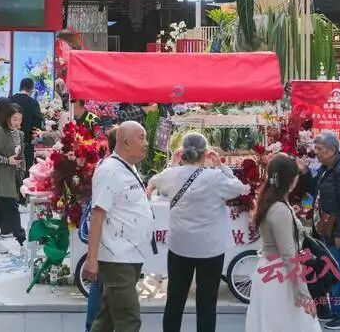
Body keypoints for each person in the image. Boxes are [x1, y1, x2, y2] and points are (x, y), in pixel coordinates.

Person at [148, 133, 247, 332]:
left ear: (182, 152)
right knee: (207, 304)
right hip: (210, 249)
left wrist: (173, 164)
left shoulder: (171, 175)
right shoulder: (215, 177)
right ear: (206, 154)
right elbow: (239, 188)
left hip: (180, 247)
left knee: (175, 300)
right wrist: (221, 166)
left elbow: (155, 181)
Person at [83, 121, 152, 332]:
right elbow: (97, 215)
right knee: (129, 320)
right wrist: (91, 259)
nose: (146, 143)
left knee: (107, 318)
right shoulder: (110, 170)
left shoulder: (128, 167)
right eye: (141, 138)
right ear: (126, 142)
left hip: (130, 256)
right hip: (117, 258)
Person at [245, 153, 320, 332]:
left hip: (272, 272)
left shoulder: (273, 202)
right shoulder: (279, 209)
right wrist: (303, 293)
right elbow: (289, 255)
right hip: (280, 276)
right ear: (292, 180)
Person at [298, 131, 340, 329]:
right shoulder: (327, 169)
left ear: (333, 149)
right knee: (331, 272)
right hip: (327, 231)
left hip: (339, 233)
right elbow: (316, 191)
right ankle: (335, 312)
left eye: (320, 149)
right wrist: (305, 173)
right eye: (316, 148)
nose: (316, 152)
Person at [0, 103, 26, 252]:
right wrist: (7, 160)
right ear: (7, 118)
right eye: (15, 119)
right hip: (0, 177)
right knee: (12, 209)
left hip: (14, 177)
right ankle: (22, 239)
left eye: (20, 119)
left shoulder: (20, 134)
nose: (17, 122)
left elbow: (21, 155)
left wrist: (22, 171)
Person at [10, 77, 43, 168]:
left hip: (9, 142)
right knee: (26, 170)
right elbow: (37, 122)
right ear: (31, 89)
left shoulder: (10, 100)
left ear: (20, 87)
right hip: (27, 143)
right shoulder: (33, 103)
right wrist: (35, 138)